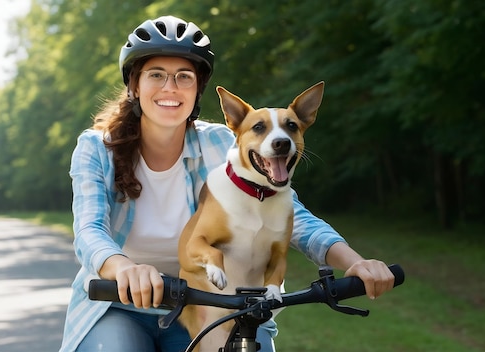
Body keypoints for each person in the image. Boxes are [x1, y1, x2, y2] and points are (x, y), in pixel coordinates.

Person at [59, 15, 395, 352]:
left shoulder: (224, 145)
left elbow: (289, 216)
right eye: (156, 75)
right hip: (118, 304)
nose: (170, 87)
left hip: (210, 303)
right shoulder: (96, 148)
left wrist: (354, 262)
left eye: (184, 77)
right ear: (134, 85)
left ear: (198, 88)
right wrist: (124, 269)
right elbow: (89, 230)